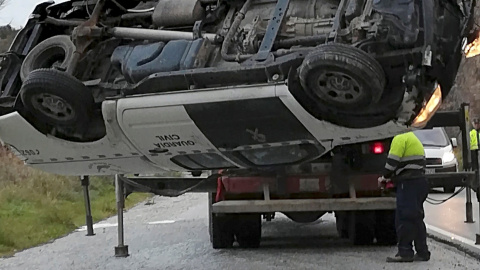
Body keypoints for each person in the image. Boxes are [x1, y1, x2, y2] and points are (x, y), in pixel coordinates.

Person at [378, 131, 430, 263]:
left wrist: (384, 178)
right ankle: (423, 252)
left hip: (408, 183)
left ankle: (405, 252)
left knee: (404, 218)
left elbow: (392, 162)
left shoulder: (399, 138)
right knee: (417, 218)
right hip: (420, 181)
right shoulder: (412, 137)